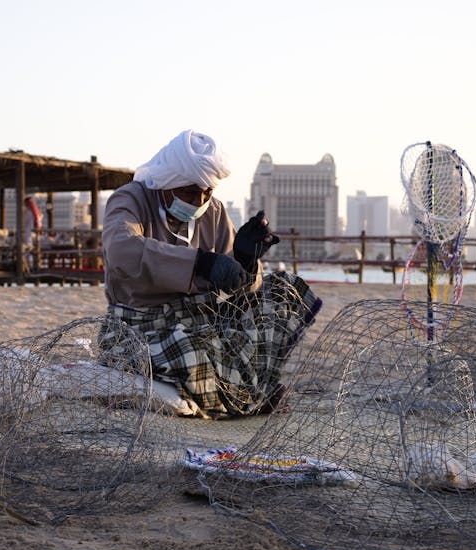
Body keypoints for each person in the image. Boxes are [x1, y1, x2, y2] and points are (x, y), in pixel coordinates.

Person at [100, 129, 322, 418]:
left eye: (207, 192)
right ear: (168, 181)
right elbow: (122, 251)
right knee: (190, 352)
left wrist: (245, 259)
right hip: (142, 323)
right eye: (189, 192)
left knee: (283, 291)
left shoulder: (213, 211)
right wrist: (199, 263)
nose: (199, 200)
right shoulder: (130, 199)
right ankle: (248, 398)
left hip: (202, 319)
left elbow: (239, 287)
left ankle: (248, 389)